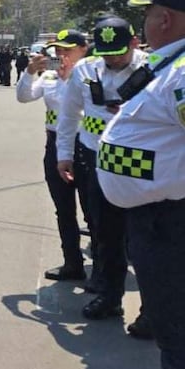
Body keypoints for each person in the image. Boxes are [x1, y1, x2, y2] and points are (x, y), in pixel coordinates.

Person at [98, 0, 185, 357]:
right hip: (157, 220)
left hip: (169, 223)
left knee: (177, 336)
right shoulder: (168, 65)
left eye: (147, 14)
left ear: (164, 19)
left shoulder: (182, 73)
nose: (144, 23)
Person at [56, 16, 147, 325]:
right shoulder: (85, 70)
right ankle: (110, 297)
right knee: (105, 233)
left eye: (119, 52)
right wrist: (64, 155)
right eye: (106, 52)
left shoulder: (154, 69)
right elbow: (68, 117)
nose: (112, 58)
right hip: (96, 158)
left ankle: (151, 310)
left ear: (134, 43)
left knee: (144, 238)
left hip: (141, 163)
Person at [16, 29, 92, 283]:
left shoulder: (94, 74)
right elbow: (24, 96)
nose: (61, 54)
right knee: (64, 208)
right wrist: (29, 72)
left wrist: (71, 77)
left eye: (67, 49)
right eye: (58, 50)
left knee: (94, 210)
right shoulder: (49, 76)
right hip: (56, 146)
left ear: (84, 49)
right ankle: (73, 263)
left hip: (87, 146)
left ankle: (105, 270)